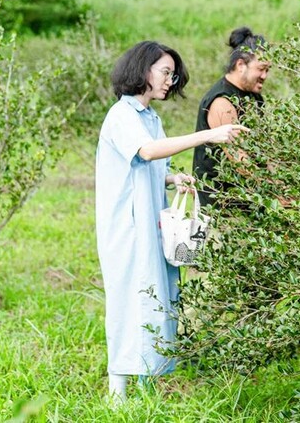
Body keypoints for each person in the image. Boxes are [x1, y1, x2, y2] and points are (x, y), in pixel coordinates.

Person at [96, 41, 248, 403]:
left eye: (172, 74)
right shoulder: (122, 115)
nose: (169, 80)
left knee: (155, 297)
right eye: (165, 72)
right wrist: (208, 135)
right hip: (126, 228)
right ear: (142, 71)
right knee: (126, 300)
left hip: (150, 225)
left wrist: (173, 179)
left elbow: (151, 164)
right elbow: (146, 151)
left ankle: (147, 383)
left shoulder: (150, 118)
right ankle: (117, 394)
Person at [193, 27, 269, 208]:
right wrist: (274, 189)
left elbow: (266, 149)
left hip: (251, 197)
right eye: (261, 69)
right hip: (221, 204)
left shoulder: (255, 97)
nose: (265, 76)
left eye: (268, 70)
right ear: (241, 65)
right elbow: (238, 157)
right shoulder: (222, 101)